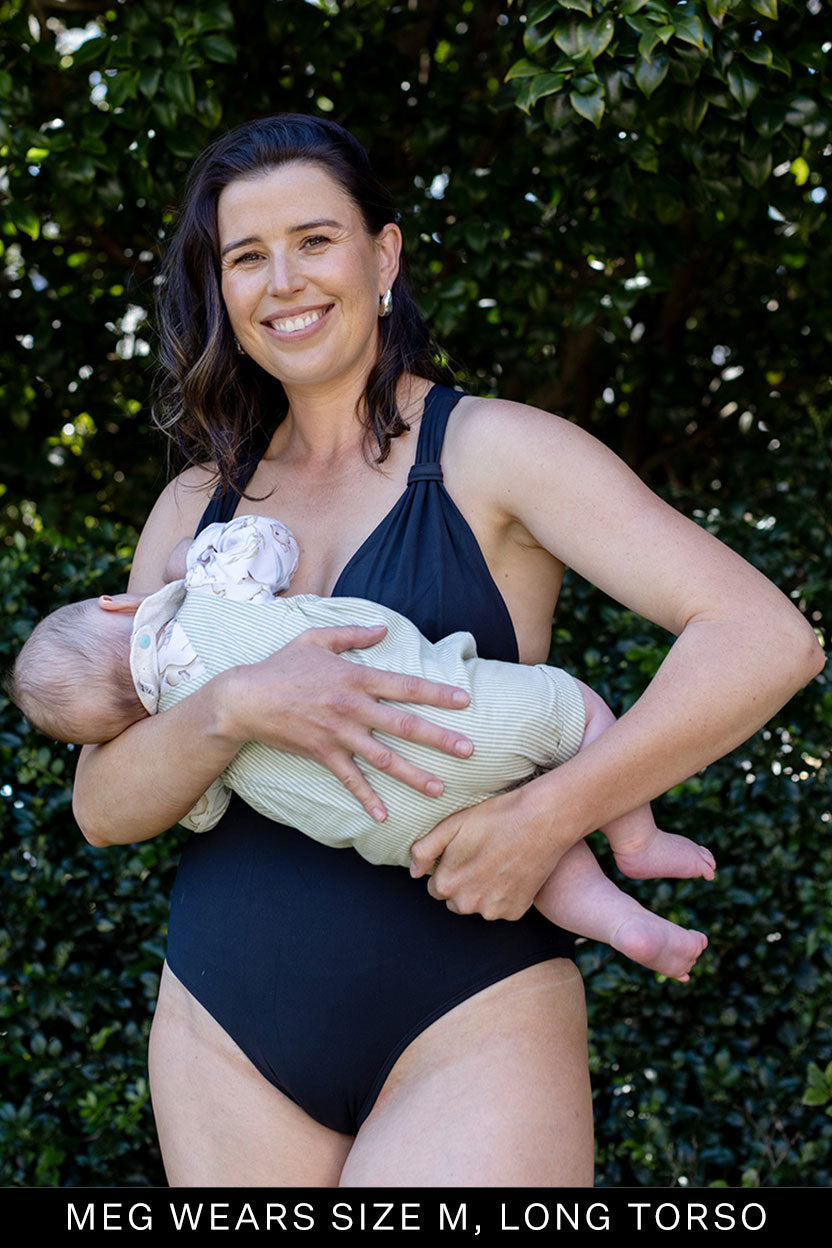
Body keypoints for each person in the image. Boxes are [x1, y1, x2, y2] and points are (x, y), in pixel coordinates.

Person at [69, 114, 824, 1187]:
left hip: (472, 1013)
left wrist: (550, 815)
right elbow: (102, 808)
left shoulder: (494, 451)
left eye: (315, 239)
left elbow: (766, 639)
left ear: (383, 255)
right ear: (223, 292)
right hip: (224, 1029)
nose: (283, 279)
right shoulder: (194, 509)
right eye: (246, 256)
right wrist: (231, 708)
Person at [8, 512, 715, 982]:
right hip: (460, 721)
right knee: (576, 710)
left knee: (539, 859)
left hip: (402, 830)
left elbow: (195, 807)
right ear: (117, 605)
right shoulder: (202, 592)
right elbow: (267, 543)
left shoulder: (176, 738)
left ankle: (626, 927)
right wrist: (181, 561)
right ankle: (638, 840)